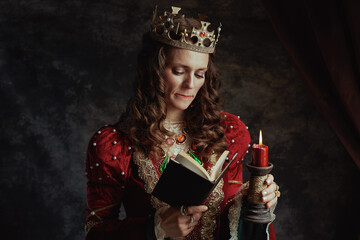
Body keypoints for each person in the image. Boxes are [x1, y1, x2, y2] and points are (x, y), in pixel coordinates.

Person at [85, 6, 279, 240]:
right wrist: (155, 228)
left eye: (199, 74)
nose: (190, 84)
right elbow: (95, 232)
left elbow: (232, 218)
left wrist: (257, 199)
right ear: (154, 71)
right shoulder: (115, 146)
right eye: (179, 71)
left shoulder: (229, 132)